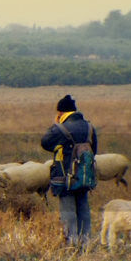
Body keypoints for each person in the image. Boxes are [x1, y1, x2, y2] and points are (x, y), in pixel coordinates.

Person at [41, 94, 97, 248]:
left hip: (65, 177)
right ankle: (86, 242)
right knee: (83, 207)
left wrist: (56, 125)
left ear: (60, 113)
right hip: (85, 175)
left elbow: (45, 143)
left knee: (68, 210)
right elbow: (94, 149)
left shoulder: (60, 128)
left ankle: (71, 243)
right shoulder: (89, 127)